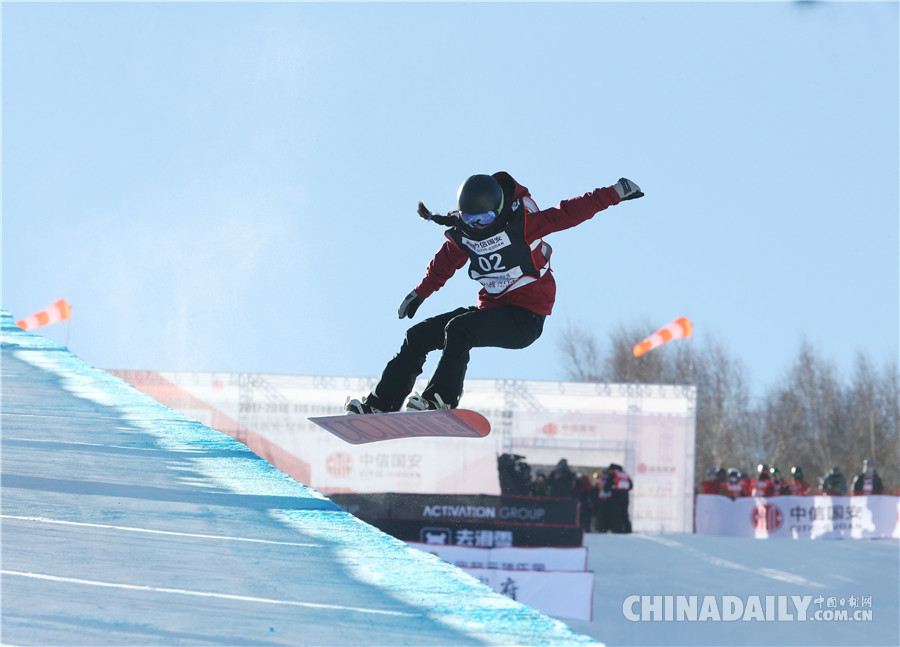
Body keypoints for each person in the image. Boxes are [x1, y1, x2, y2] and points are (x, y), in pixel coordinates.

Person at [344, 171, 644, 414]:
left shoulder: (525, 225)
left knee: (459, 329)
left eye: (484, 220)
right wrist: (420, 293)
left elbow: (572, 211)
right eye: (470, 219)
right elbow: (445, 262)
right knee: (417, 336)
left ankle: (441, 398)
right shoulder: (465, 233)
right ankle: (381, 404)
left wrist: (616, 192)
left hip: (525, 320)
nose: (478, 227)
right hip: (492, 312)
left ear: (499, 211)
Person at [605, 463, 633, 533]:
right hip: (625, 497)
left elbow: (607, 486)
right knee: (625, 514)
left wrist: (607, 489)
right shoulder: (625, 474)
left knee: (616, 514)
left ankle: (617, 530)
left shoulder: (613, 473)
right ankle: (628, 529)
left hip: (616, 496)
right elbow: (631, 486)